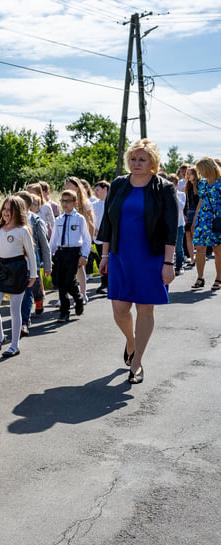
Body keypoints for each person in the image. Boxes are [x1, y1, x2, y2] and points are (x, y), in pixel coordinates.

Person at [98, 138, 178, 384]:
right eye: (133, 159)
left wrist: (168, 263)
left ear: (153, 162)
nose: (137, 163)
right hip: (121, 256)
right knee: (120, 309)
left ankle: (137, 362)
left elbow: (170, 227)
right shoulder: (119, 184)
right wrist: (104, 255)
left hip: (151, 257)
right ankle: (131, 343)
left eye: (142, 159)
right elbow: (108, 222)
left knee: (145, 308)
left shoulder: (163, 188)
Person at [0, 196, 37, 357]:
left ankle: (14, 345)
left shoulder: (22, 230)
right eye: (4, 208)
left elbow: (31, 254)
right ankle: (0, 337)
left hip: (18, 269)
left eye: (10, 209)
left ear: (18, 211)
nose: (6, 212)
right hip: (2, 269)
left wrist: (33, 274)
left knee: (14, 309)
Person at [48, 190, 92, 323]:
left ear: (75, 203)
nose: (65, 204)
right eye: (63, 201)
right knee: (60, 283)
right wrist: (49, 256)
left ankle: (78, 298)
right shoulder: (59, 220)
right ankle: (64, 312)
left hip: (74, 253)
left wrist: (84, 255)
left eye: (68, 201)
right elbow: (54, 239)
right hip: (61, 253)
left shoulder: (79, 219)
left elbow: (86, 238)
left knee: (69, 280)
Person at [15, 191, 50, 336]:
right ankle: (17, 319)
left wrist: (47, 265)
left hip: (31, 262)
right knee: (17, 293)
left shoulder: (36, 220)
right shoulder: (11, 220)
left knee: (27, 292)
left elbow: (44, 244)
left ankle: (24, 320)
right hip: (14, 263)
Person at [190, 157, 221, 290]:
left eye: (201, 170)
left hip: (218, 220)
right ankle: (200, 278)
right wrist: (194, 221)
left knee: (218, 250)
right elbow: (200, 202)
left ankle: (219, 278)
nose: (199, 173)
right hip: (203, 220)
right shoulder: (202, 183)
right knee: (200, 249)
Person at [64, 177, 96, 304]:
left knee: (80, 268)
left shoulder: (85, 204)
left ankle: (83, 295)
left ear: (76, 187)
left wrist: (88, 246)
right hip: (68, 241)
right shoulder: (66, 203)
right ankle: (65, 296)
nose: (66, 189)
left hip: (81, 241)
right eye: (65, 187)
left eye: (68, 187)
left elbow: (91, 225)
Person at [92, 182, 110, 293]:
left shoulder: (112, 202)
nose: (96, 193)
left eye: (98, 190)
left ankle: (110, 283)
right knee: (101, 261)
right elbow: (91, 219)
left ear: (105, 189)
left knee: (110, 260)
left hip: (109, 238)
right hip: (98, 237)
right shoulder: (94, 204)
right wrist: (93, 228)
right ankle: (104, 283)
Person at [184, 166, 200, 266]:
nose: (188, 175)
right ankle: (192, 258)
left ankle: (199, 257)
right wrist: (184, 213)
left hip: (197, 213)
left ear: (195, 174)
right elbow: (186, 202)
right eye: (187, 173)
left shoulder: (200, 186)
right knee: (188, 236)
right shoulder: (188, 186)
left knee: (196, 237)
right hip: (189, 213)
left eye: (190, 173)